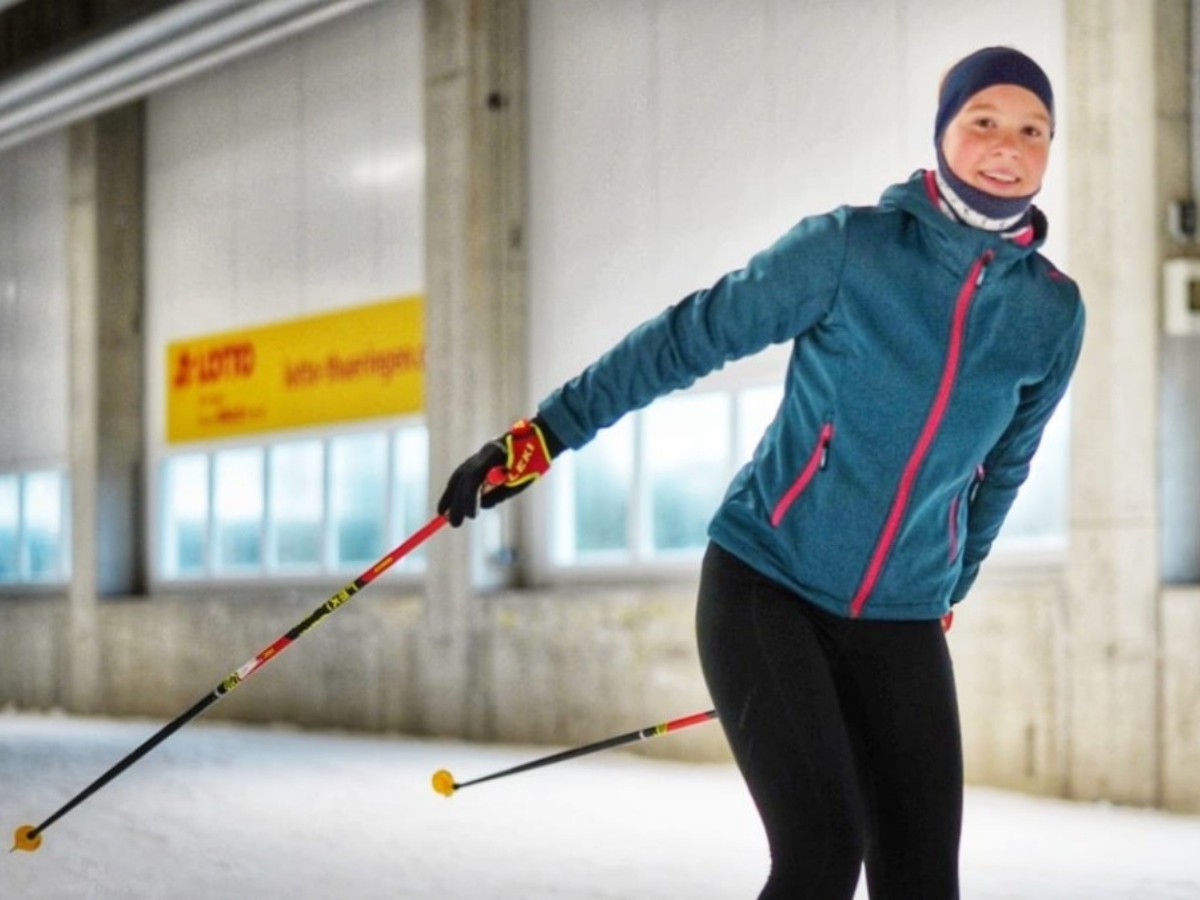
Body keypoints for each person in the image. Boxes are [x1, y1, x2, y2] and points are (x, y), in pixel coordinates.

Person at [439, 46, 1084, 900]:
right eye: (985, 121)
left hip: (904, 617)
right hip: (767, 583)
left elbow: (1005, 469)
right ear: (943, 132)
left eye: (1033, 129)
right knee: (823, 852)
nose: (1009, 145)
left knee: (925, 879)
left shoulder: (1050, 311)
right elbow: (687, 337)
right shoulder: (849, 248)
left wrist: (947, 581)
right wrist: (544, 436)